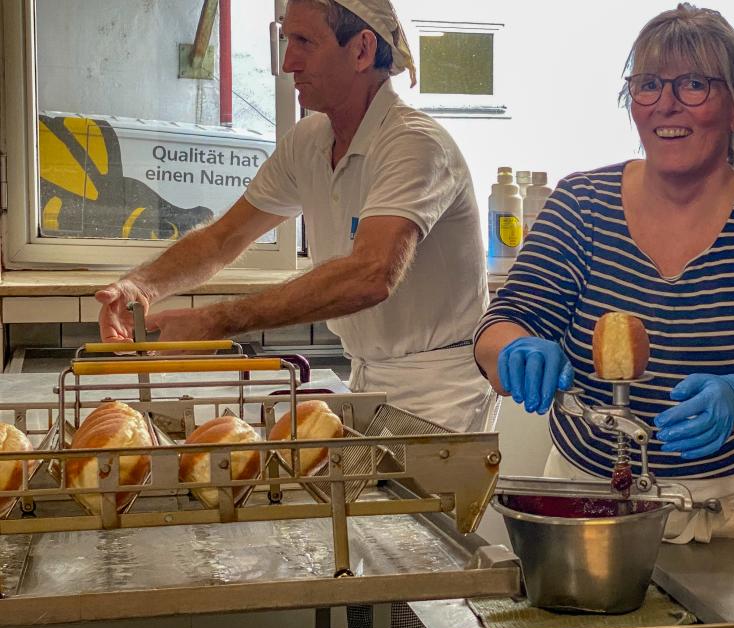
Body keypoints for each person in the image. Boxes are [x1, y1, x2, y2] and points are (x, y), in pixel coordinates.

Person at [473, 4, 734, 543]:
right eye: (648, 85)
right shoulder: (581, 204)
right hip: (590, 501)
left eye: (693, 85)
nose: (667, 104)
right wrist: (511, 351)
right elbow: (504, 321)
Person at [94, 0, 489, 433]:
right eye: (286, 40)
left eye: (304, 41)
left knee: (421, 504)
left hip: (442, 389)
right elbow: (223, 239)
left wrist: (215, 320)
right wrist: (140, 285)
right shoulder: (310, 141)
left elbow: (371, 274)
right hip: (367, 375)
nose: (287, 62)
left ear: (361, 50)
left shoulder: (413, 144)